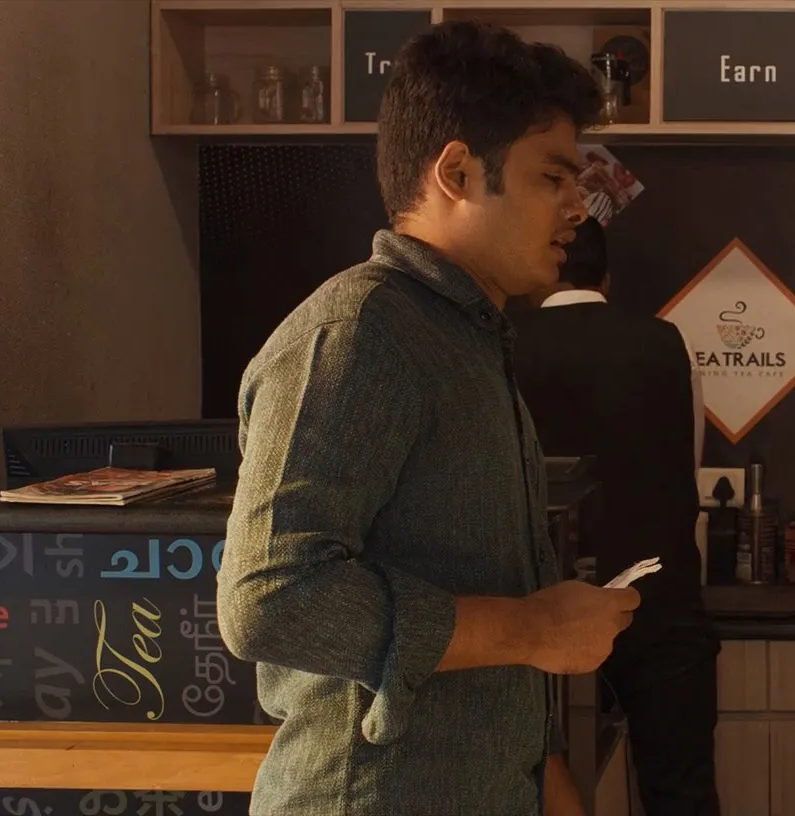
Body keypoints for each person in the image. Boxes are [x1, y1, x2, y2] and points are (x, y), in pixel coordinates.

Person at [216, 21, 639, 816]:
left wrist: (547, 780)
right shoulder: (358, 333)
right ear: (457, 172)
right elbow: (269, 601)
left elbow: (486, 608)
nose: (578, 208)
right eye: (553, 177)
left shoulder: (468, 340)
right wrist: (530, 630)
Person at [512, 216, 719, 815]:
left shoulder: (498, 346)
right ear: (606, 277)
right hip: (659, 604)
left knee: (540, 790)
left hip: (538, 610)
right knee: (680, 794)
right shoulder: (666, 343)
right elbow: (685, 467)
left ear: (540, 270)